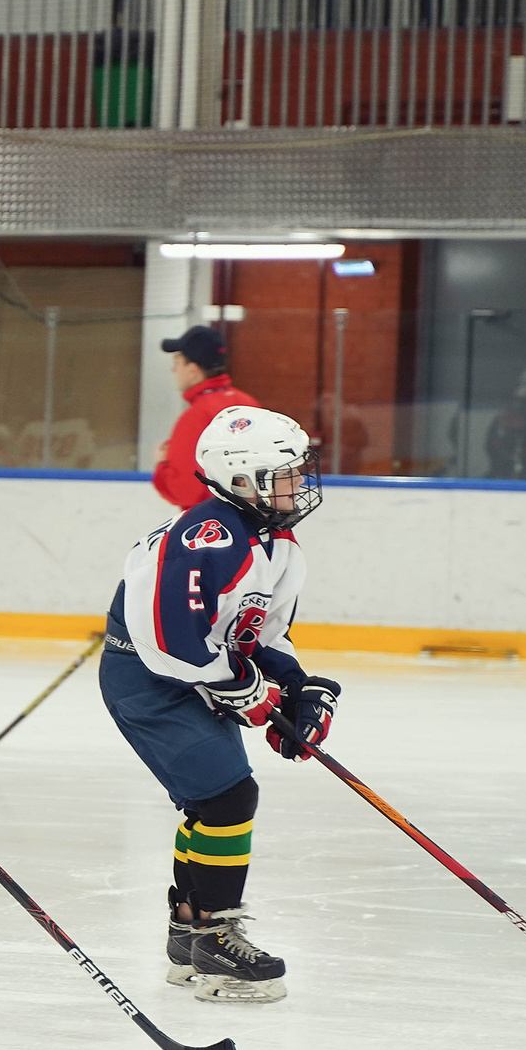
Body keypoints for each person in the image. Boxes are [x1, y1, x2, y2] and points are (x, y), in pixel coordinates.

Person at [100, 406, 337, 1004]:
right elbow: (171, 645)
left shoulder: (278, 545)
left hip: (192, 670)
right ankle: (212, 935)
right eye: (283, 475)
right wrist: (247, 692)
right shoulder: (207, 538)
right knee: (229, 796)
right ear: (240, 480)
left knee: (214, 800)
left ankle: (189, 933)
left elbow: (263, 633)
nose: (297, 485)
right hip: (147, 680)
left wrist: (298, 685)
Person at [150, 324, 252, 511]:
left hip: (213, 527)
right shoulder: (249, 404)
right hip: (256, 524)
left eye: (177, 363)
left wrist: (161, 466)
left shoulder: (196, 417)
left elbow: (185, 491)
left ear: (192, 370)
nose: (174, 371)